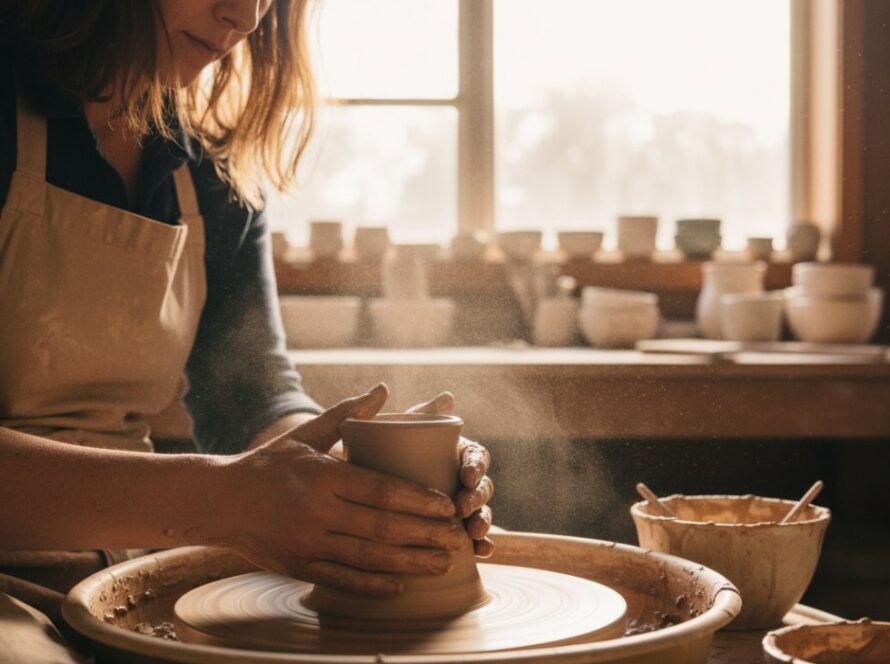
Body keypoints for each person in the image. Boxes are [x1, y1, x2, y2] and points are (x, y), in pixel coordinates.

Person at [0, 1, 494, 660]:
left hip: (119, 575)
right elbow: (230, 494)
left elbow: (251, 399)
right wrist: (223, 500)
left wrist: (369, 485)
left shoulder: (208, 170)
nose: (246, 15)